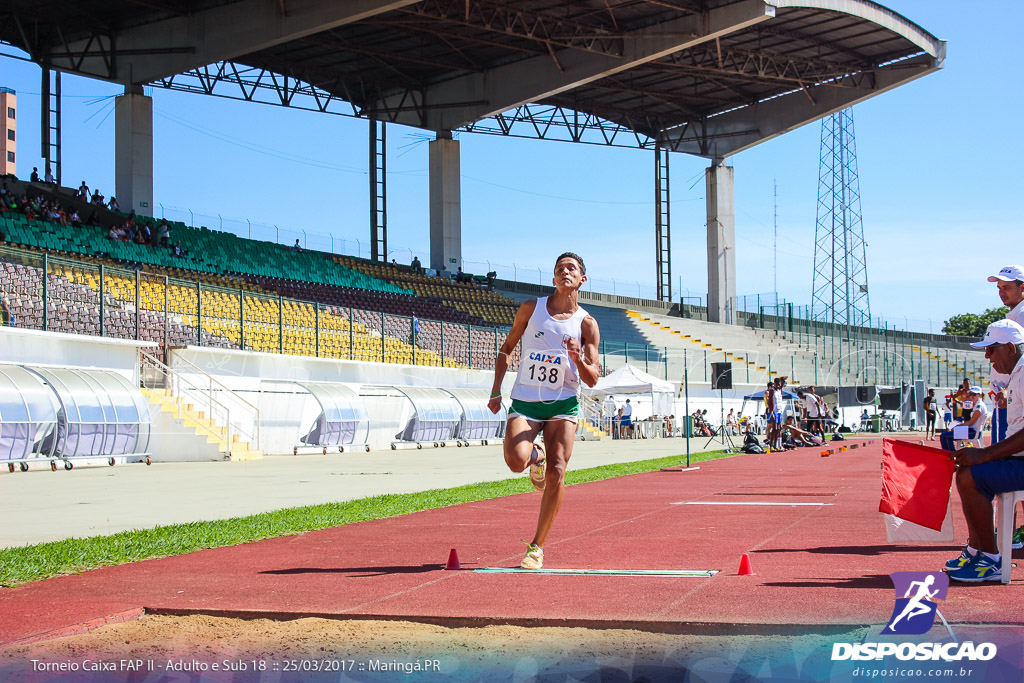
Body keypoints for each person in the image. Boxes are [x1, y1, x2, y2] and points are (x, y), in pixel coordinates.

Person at [487, 252, 600, 570]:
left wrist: (578, 359)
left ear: (582, 279)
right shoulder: (531, 308)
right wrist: (496, 390)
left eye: (572, 268)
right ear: (553, 278)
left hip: (564, 402)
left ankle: (536, 547)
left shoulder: (587, 324)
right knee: (515, 462)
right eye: (560, 268)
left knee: (558, 472)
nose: (566, 271)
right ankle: (535, 457)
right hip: (524, 400)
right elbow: (506, 349)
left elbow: (592, 378)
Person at [944, 319, 1024, 582]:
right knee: (967, 470)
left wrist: (986, 454)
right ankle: (978, 550)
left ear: (1010, 348)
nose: (987, 355)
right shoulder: (1017, 373)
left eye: (992, 348)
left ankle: (990, 559)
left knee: (970, 476)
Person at [939, 386, 987, 452]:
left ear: (980, 395)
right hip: (971, 430)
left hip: (973, 432)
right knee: (946, 435)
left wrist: (958, 426)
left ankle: (951, 454)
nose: (971, 396)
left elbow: (971, 422)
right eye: (970, 394)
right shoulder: (977, 405)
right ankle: (951, 454)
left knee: (945, 436)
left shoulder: (979, 406)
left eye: (974, 394)